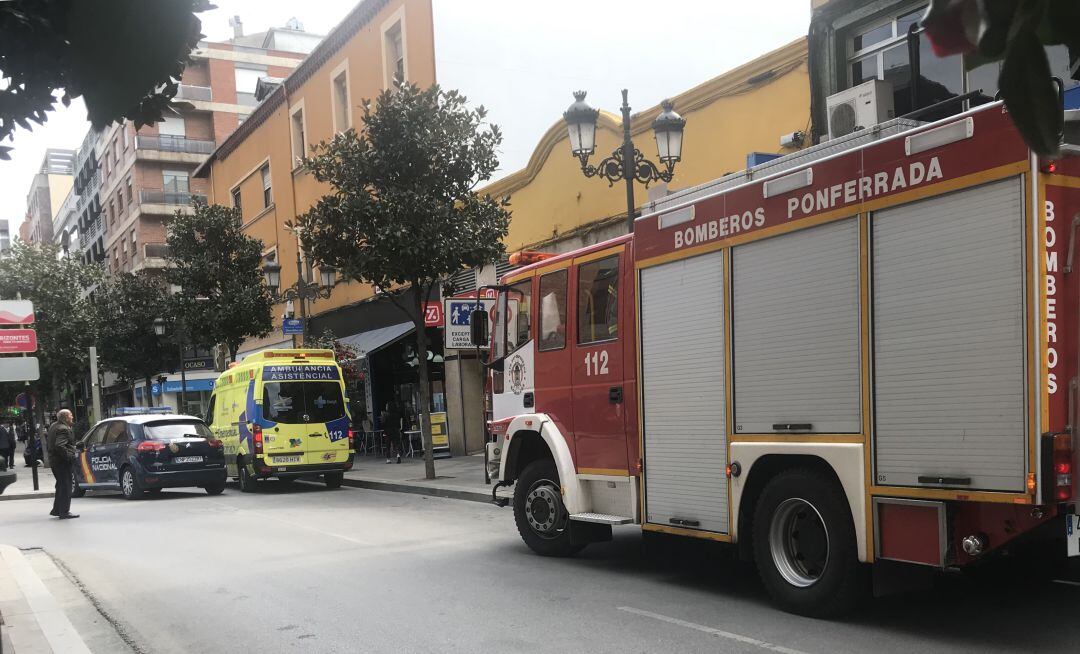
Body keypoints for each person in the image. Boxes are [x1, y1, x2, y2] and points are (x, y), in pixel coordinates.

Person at [46, 409, 79, 520]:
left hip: (55, 461)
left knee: (61, 485)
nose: (72, 417)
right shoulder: (63, 429)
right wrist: (69, 456)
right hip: (62, 462)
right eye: (71, 415)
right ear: (65, 418)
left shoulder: (54, 426)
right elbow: (60, 445)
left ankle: (57, 510)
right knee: (66, 486)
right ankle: (64, 512)